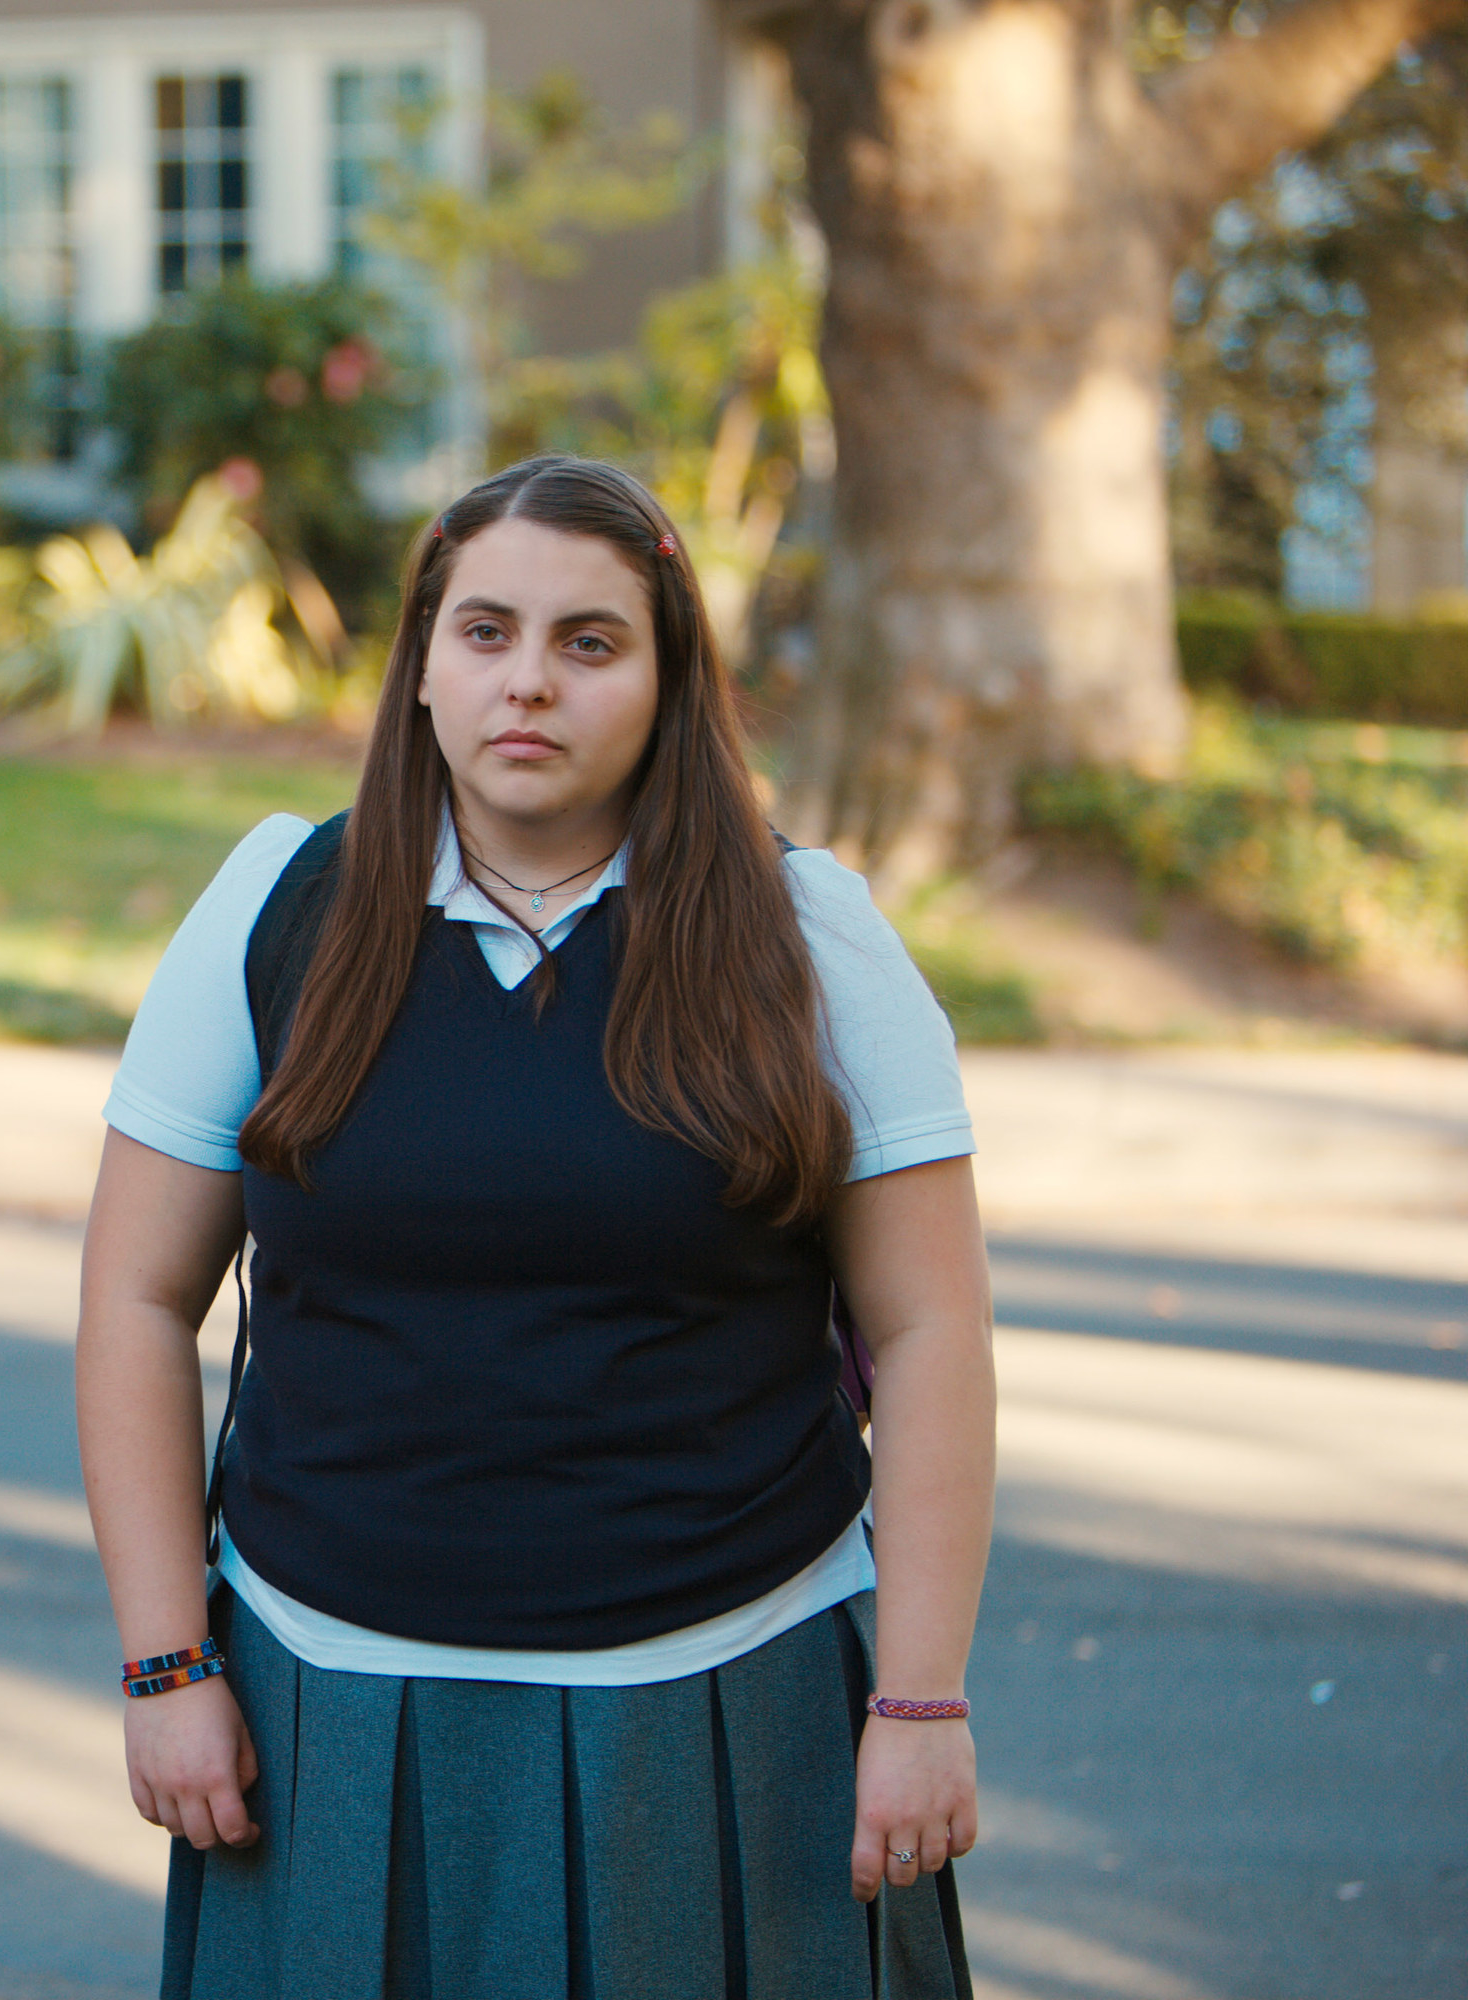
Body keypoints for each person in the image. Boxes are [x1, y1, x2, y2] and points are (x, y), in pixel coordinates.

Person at [75, 454, 993, 1996]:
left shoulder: (809, 935)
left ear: (665, 680)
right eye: (486, 632)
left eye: (590, 642)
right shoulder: (276, 907)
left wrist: (918, 1704)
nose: (529, 684)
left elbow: (931, 1329)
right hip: (330, 1698)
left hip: (728, 1694)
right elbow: (133, 1299)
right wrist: (169, 1661)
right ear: (422, 665)